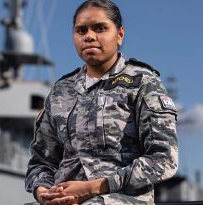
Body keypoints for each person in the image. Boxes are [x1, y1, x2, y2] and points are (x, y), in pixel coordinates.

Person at [25, 0, 178, 204]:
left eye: (100, 28)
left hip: (122, 197)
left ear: (120, 34)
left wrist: (94, 187)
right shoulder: (61, 91)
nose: (89, 36)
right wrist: (43, 191)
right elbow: (41, 161)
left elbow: (164, 158)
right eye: (81, 30)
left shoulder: (143, 83)